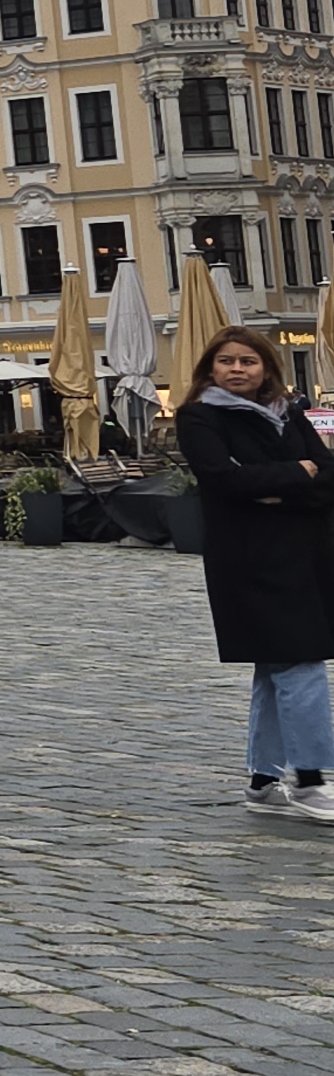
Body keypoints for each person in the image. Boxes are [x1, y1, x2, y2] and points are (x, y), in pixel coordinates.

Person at [177, 326, 334, 820]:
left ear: (266, 368)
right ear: (210, 368)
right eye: (227, 361)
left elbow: (329, 473)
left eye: (248, 361)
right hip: (249, 559)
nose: (237, 369)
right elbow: (225, 480)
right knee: (302, 664)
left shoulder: (289, 413)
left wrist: (279, 488)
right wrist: (299, 473)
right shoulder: (199, 416)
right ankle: (309, 781)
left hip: (304, 555)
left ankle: (263, 784)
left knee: (276, 668)